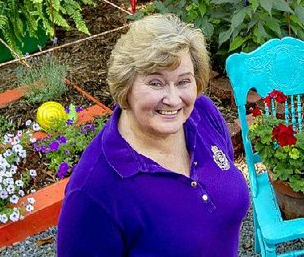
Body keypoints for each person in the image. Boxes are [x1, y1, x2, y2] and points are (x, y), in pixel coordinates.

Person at [57, 14, 250, 256]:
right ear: (126, 86)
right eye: (156, 83)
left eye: (183, 81)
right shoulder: (94, 191)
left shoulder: (202, 113)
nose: (172, 99)